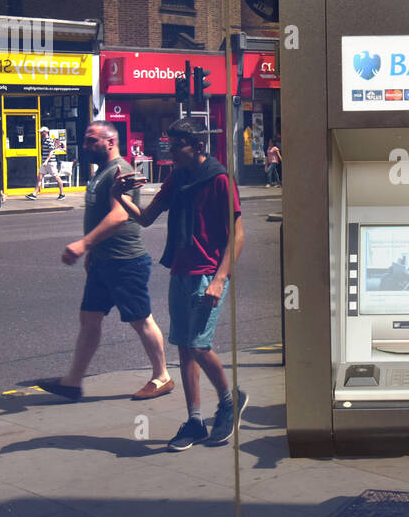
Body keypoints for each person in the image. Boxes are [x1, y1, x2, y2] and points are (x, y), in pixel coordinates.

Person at [111, 117, 247, 450]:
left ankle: (229, 402)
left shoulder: (219, 179)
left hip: (207, 274)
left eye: (177, 145)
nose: (170, 151)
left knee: (199, 345)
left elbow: (238, 234)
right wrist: (119, 195)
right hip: (180, 271)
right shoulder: (177, 178)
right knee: (185, 347)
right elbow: (145, 218)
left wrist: (219, 279)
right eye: (169, 144)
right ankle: (195, 420)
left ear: (198, 146)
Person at [36, 122, 173, 403]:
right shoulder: (101, 172)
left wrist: (83, 244)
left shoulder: (121, 170)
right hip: (102, 261)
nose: (86, 146)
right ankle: (73, 382)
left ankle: (163, 376)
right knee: (89, 318)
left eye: (91, 141)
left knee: (140, 319)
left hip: (125, 260)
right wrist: (91, 254)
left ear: (110, 142)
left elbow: (119, 216)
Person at [26, 126, 66, 200]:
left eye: (42, 132)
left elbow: (51, 152)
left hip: (51, 163)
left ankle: (62, 193)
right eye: (40, 132)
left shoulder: (49, 140)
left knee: (57, 178)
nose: (40, 133)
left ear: (45, 132)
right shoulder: (44, 141)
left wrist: (46, 161)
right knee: (39, 178)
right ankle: (34, 194)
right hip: (45, 163)